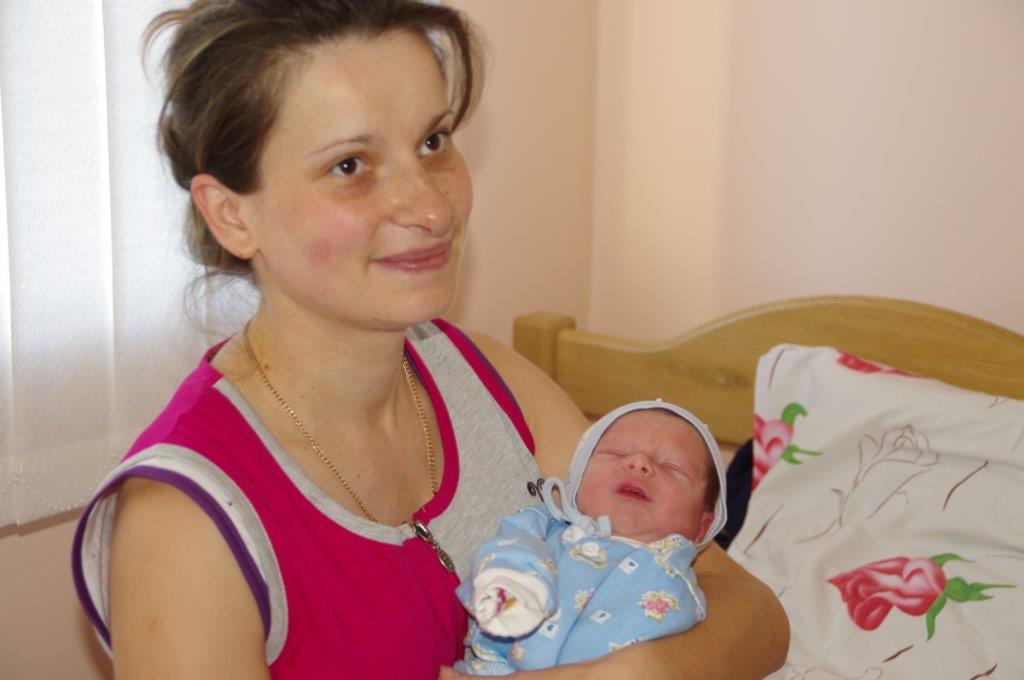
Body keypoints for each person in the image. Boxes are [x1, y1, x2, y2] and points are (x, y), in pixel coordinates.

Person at [70, 1, 788, 678]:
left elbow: (753, 612)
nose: (430, 203)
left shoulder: (486, 380)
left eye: (433, 141)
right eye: (350, 166)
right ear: (231, 215)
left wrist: (633, 671)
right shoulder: (189, 522)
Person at [455, 401, 727, 675]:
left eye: (672, 466)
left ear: (702, 527)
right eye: (617, 452)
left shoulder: (677, 586)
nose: (639, 463)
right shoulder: (543, 527)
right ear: (576, 480)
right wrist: (511, 583)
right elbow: (506, 549)